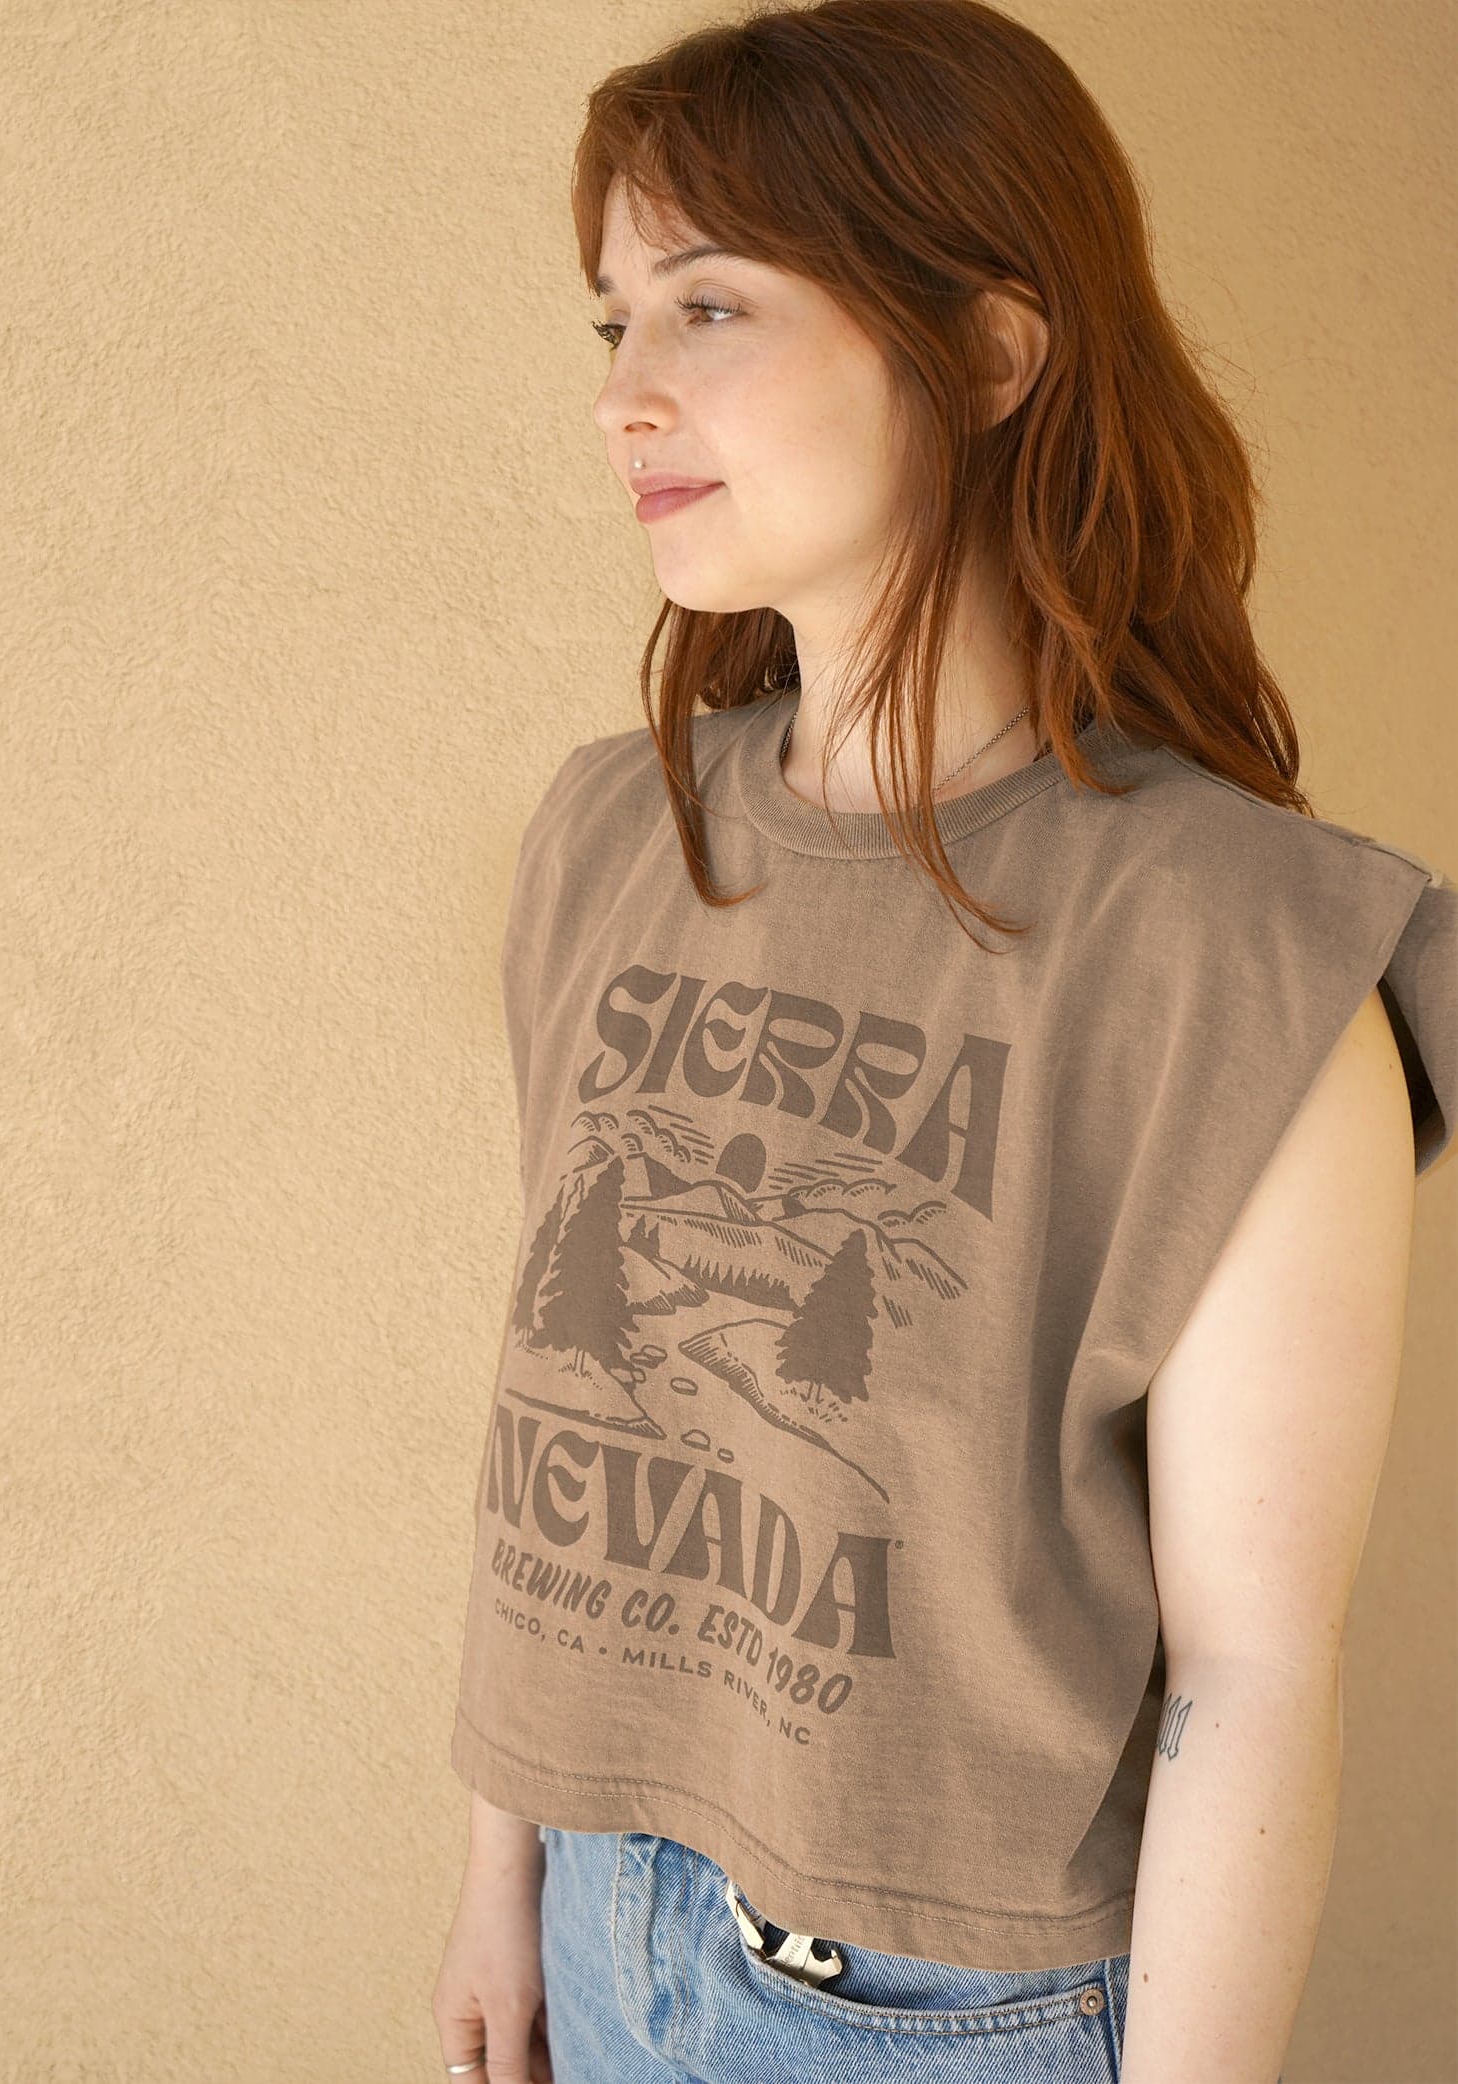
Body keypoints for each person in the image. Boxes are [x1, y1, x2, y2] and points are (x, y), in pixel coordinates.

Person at [429, 4, 1453, 2081]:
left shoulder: (1240, 949)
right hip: (593, 1912)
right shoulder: (613, 835)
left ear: (988, 351)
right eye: (610, 320)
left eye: (705, 304)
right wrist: (499, 1869)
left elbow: (1249, 1670)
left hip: (934, 2019)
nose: (624, 396)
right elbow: (570, 1416)